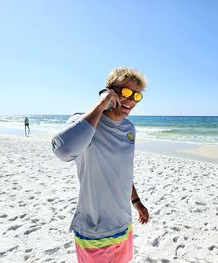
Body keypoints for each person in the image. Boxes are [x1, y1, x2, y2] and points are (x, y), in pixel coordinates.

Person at [51, 67, 149, 263]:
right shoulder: (83, 121)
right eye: (126, 92)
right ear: (109, 91)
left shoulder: (130, 128)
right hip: (94, 230)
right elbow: (62, 150)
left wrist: (136, 202)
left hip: (123, 224)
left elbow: (122, 171)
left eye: (136, 96)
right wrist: (100, 105)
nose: (130, 100)